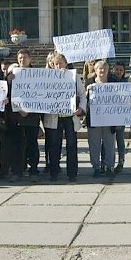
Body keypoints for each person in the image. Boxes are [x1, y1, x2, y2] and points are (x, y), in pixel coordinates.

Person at [42, 53, 86, 182]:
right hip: (54, 116)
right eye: (56, 63)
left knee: (71, 145)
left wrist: (81, 109)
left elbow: (82, 94)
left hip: (70, 116)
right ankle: (54, 172)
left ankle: (72, 173)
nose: (58, 66)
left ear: (66, 63)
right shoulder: (48, 77)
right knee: (54, 145)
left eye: (61, 63)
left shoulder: (73, 76)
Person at [6, 49, 42, 182]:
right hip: (16, 117)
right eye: (20, 58)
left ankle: (34, 170)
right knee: (17, 145)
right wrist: (7, 80)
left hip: (31, 117)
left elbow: (40, 95)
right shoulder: (12, 75)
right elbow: (7, 94)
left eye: (25, 57)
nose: (22, 60)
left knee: (32, 144)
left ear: (30, 59)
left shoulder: (37, 74)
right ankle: (17, 171)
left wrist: (29, 110)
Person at [85, 60, 116, 178]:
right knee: (94, 144)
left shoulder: (113, 82)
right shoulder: (89, 82)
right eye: (100, 68)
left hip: (110, 119)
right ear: (95, 70)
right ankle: (96, 167)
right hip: (94, 119)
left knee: (110, 144)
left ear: (108, 71)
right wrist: (87, 91)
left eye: (105, 68)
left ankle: (109, 166)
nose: (102, 71)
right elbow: (84, 99)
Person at [111, 61, 127, 173]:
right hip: (108, 115)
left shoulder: (127, 82)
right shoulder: (108, 80)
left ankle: (121, 161)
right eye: (117, 69)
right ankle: (107, 162)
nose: (119, 72)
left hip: (120, 116)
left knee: (120, 140)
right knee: (108, 141)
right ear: (113, 70)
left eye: (121, 70)